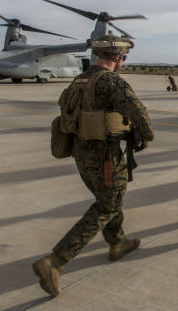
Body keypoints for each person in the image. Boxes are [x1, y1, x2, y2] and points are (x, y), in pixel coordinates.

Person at [32, 34, 155, 298]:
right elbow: (138, 112)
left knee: (109, 198)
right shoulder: (110, 81)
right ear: (118, 58)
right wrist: (147, 134)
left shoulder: (80, 80)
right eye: (123, 58)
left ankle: (117, 242)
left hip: (81, 153)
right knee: (107, 204)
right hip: (106, 156)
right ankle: (55, 261)